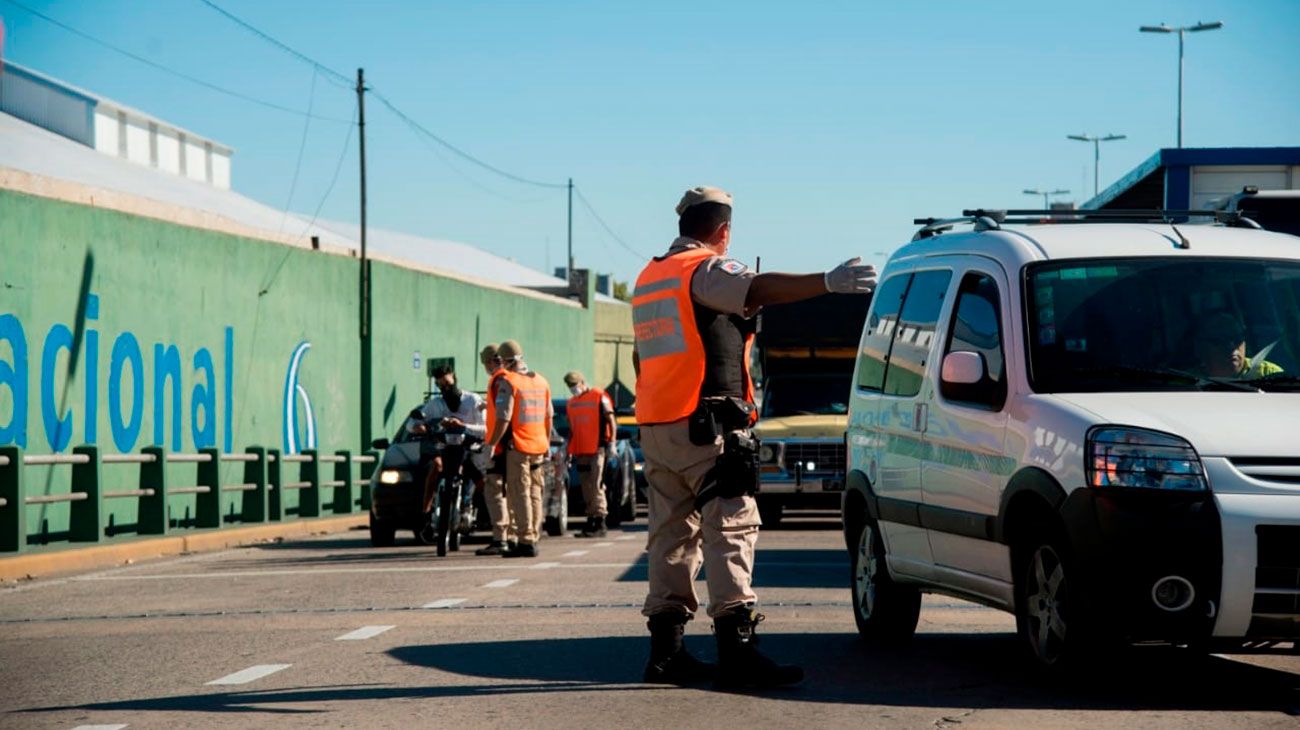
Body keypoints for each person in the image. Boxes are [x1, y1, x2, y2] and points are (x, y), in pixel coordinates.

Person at [634, 186, 876, 688]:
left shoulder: (649, 277)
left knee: (671, 539)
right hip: (707, 427)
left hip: (659, 426)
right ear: (722, 231)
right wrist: (828, 282)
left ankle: (667, 654)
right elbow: (757, 288)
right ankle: (737, 652)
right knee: (732, 531)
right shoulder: (705, 270)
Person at [484, 339, 554, 558]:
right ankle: (533, 535)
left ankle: (525, 540)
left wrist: (491, 443)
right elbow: (549, 415)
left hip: (519, 446)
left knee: (519, 492)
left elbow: (503, 418)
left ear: (505, 361)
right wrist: (547, 442)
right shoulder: (541, 381)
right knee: (534, 492)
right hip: (538, 445)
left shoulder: (510, 381)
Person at [411, 365, 486, 526]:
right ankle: (426, 511)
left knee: (480, 478)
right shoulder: (435, 404)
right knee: (436, 466)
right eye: (440, 385)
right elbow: (413, 423)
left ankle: (483, 512)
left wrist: (463, 426)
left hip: (467, 449)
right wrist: (421, 427)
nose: (445, 388)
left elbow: (486, 428)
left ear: (454, 377)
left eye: (447, 382)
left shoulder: (472, 400)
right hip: (445, 450)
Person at [564, 370, 618, 538]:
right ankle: (591, 520)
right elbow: (572, 429)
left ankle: (600, 521)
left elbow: (611, 419)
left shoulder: (598, 396)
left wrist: (612, 443)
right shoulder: (571, 403)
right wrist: (569, 451)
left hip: (598, 449)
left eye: (575, 385)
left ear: (582, 382)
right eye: (570, 386)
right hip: (581, 451)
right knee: (586, 488)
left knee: (596, 485)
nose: (573, 389)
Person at [475, 344, 517, 556]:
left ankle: (501, 538)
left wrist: (491, 445)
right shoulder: (508, 378)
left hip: (500, 446)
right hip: (509, 445)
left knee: (495, 491)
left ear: (491, 361)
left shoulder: (500, 379)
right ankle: (509, 536)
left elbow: (503, 417)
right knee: (507, 493)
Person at [1193, 311, 1283, 379]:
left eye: (1237, 339)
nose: (1231, 346)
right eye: (1220, 340)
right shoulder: (1187, 383)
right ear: (1200, 348)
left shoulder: (1271, 375)